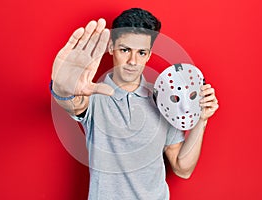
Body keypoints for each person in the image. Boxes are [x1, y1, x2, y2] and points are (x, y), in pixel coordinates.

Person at [50, 8, 219, 200]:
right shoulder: (93, 97)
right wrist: (63, 89)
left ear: (148, 54)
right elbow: (72, 102)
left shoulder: (164, 100)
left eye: (141, 52)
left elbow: (183, 169)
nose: (132, 61)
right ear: (112, 47)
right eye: (125, 50)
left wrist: (201, 121)